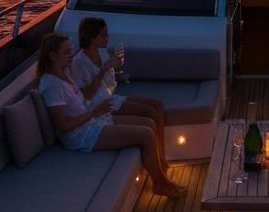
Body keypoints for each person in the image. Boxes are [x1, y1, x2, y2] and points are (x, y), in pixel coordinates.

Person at [36, 32, 185, 199]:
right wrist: (94, 111)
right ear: (52, 55)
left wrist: (102, 75)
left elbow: (83, 97)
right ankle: (160, 183)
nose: (72, 55)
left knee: (149, 122)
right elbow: (63, 125)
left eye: (71, 51)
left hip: (92, 121)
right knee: (146, 134)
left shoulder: (65, 74)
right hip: (81, 135)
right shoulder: (51, 85)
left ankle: (160, 172)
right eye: (66, 52)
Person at [70, 16, 168, 160]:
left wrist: (112, 70)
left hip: (108, 97)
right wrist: (104, 70)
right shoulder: (79, 63)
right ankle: (159, 158)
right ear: (91, 38)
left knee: (158, 105)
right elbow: (85, 96)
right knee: (151, 114)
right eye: (103, 35)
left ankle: (161, 154)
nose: (108, 38)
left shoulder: (101, 52)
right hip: (98, 105)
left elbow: (109, 85)